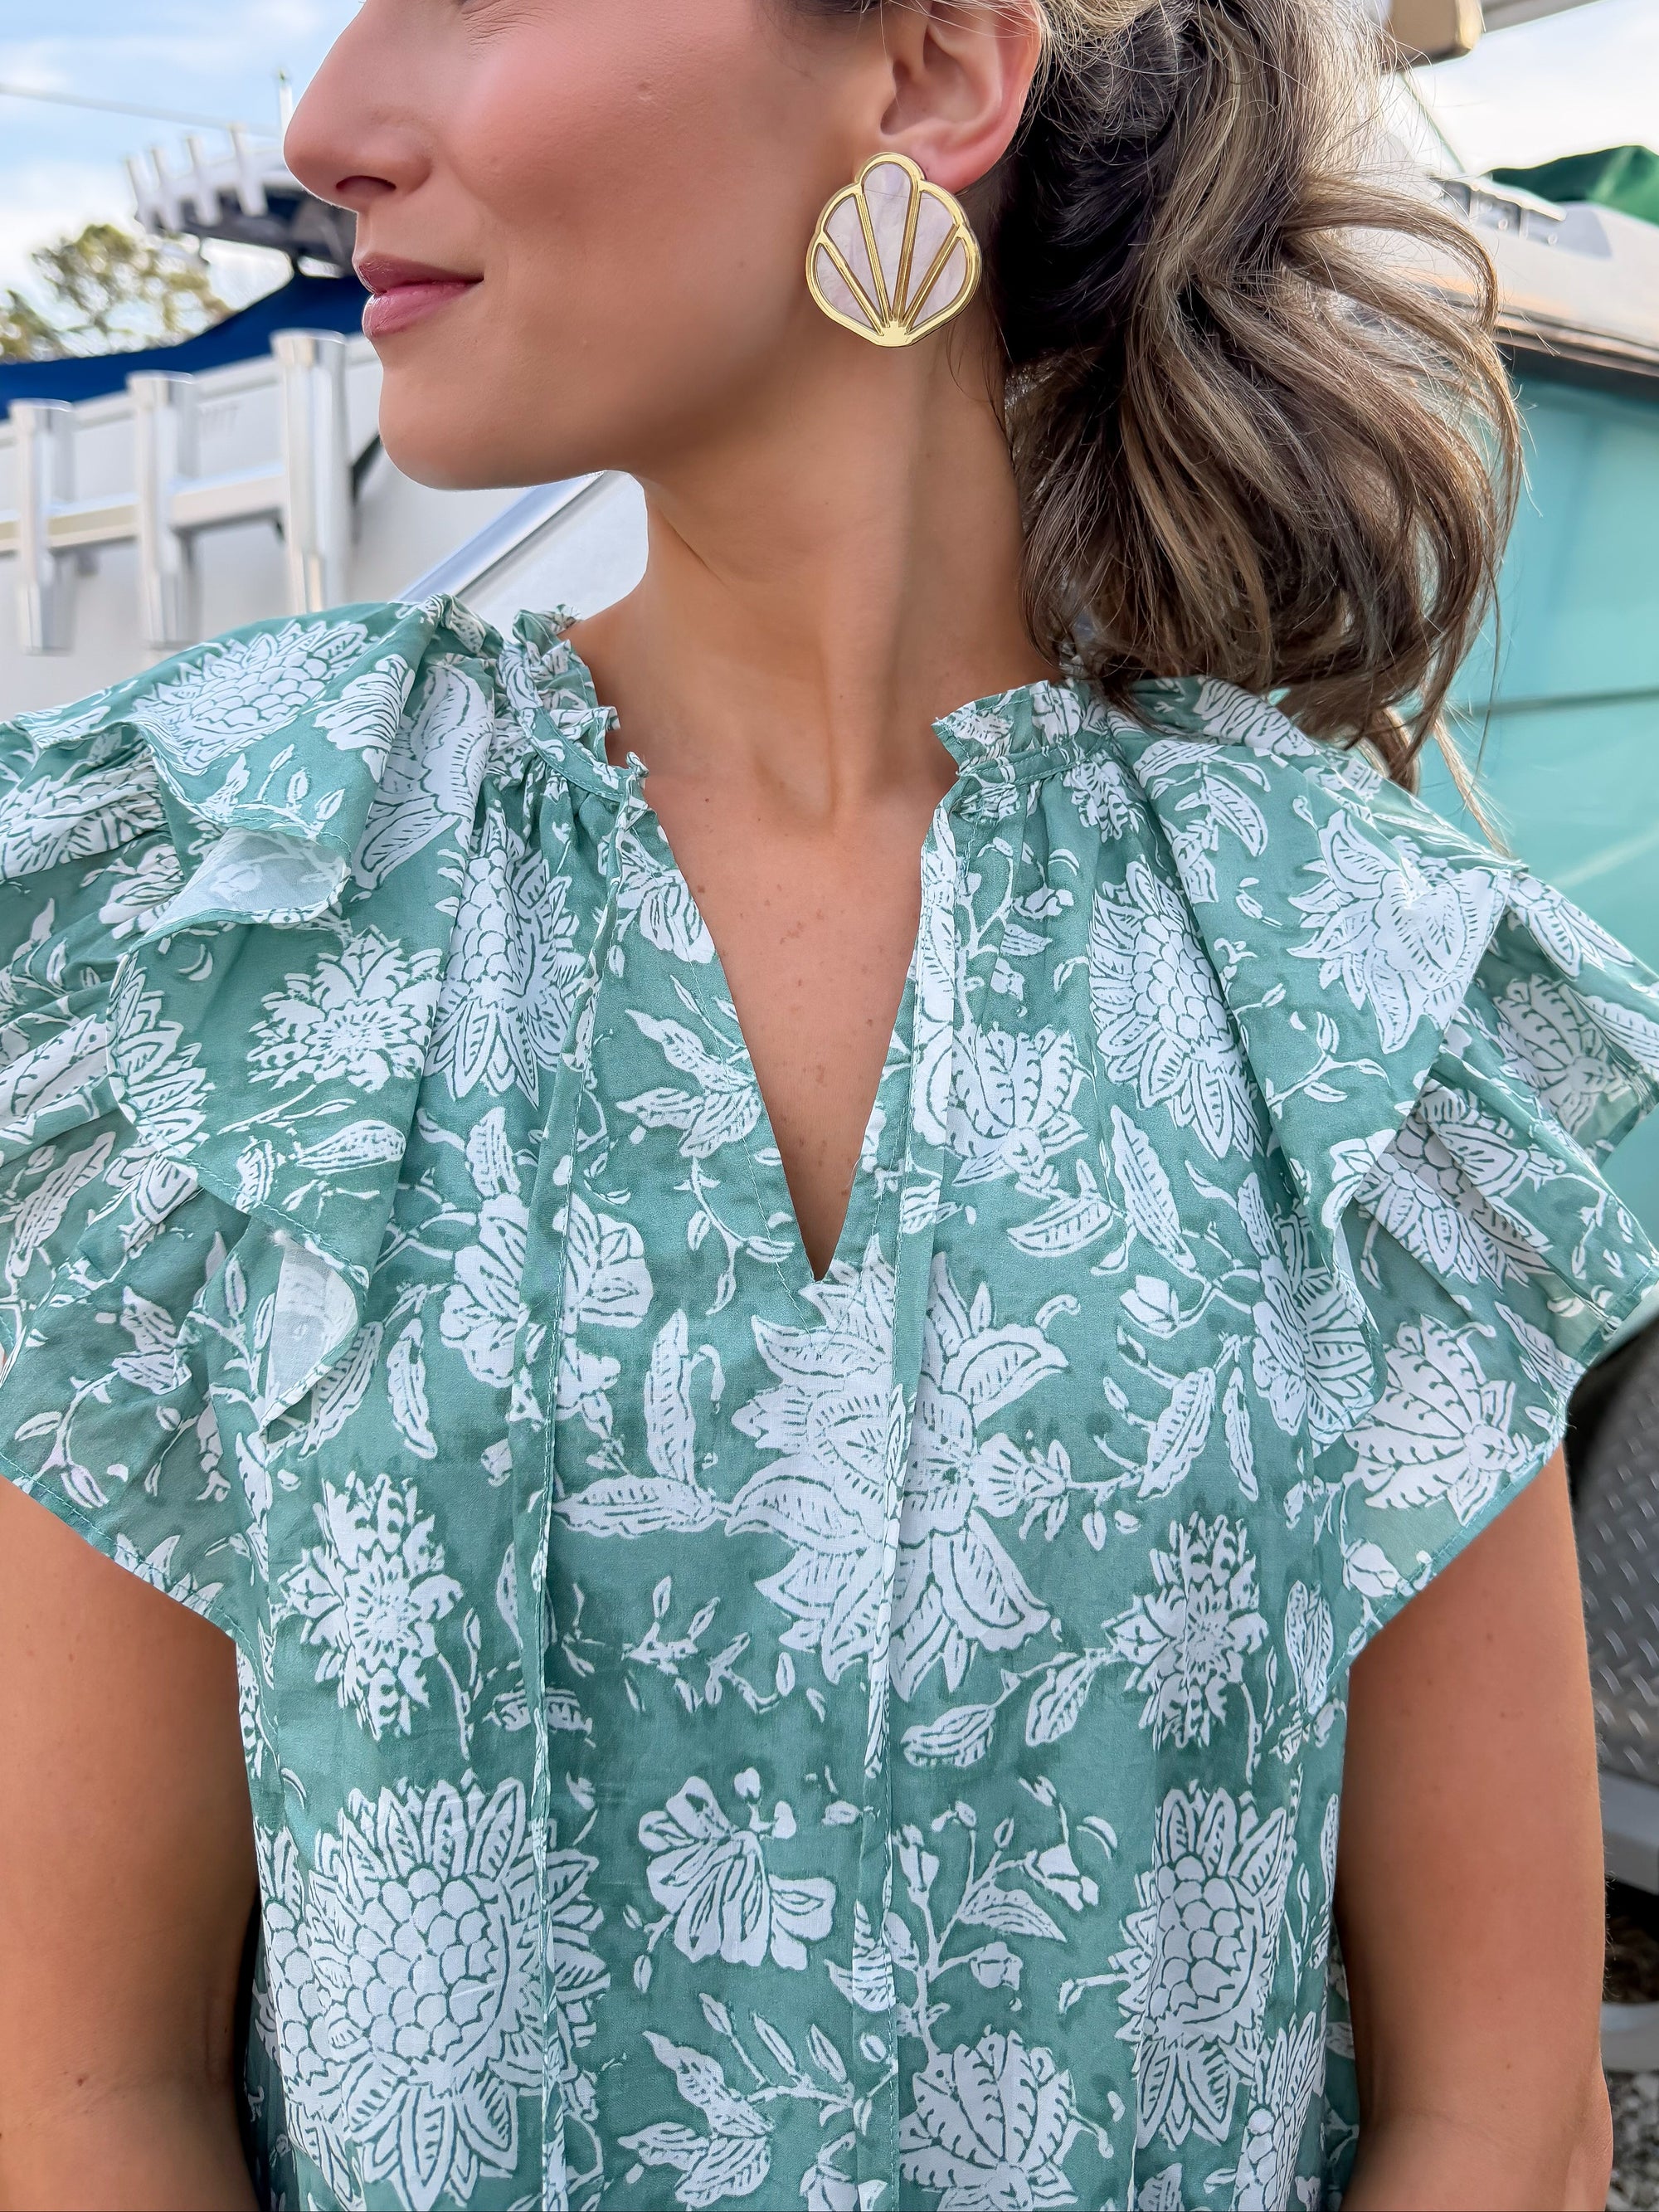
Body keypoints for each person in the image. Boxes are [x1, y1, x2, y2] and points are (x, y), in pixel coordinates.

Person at [2, 0, 1655, 2206]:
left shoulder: (1327, 979)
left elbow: (1506, 2119)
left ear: (923, 78)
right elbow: (80, 2084)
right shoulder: (251, 914)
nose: (327, 125)